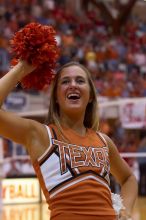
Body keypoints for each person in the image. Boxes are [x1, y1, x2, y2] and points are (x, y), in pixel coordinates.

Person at [0, 60, 138, 220]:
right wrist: (21, 68)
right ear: (56, 96)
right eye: (65, 81)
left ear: (91, 95)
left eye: (80, 81)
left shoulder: (104, 141)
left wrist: (125, 210)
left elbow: (129, 178)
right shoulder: (41, 135)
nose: (73, 85)